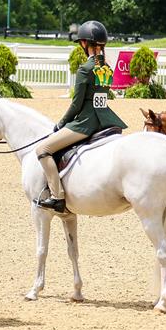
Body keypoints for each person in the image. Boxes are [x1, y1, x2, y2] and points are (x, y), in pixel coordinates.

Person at [31, 21, 127, 213]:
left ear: (85, 43)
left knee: (42, 149)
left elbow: (76, 104)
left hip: (85, 122)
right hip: (105, 118)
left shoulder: (85, 69)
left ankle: (57, 196)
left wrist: (61, 123)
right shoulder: (106, 67)